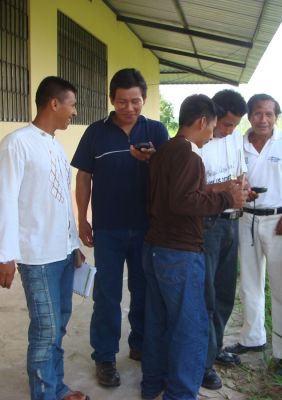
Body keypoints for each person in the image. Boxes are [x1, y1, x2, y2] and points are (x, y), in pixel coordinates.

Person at [141, 94, 248, 400]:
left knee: (159, 322)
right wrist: (228, 199)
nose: (213, 133)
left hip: (156, 248)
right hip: (179, 252)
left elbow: (177, 194)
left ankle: (152, 386)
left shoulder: (165, 151)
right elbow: (184, 201)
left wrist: (219, 191)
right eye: (213, 127)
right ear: (202, 121)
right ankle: (181, 394)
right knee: (191, 328)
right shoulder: (189, 154)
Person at [71, 68, 169, 387]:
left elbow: (170, 175)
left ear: (144, 100)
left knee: (143, 291)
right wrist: (82, 219)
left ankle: (140, 344)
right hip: (108, 228)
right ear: (111, 100)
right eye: (122, 101)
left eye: (136, 101)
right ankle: (105, 357)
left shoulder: (156, 131)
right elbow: (83, 176)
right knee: (107, 294)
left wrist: (151, 161)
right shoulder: (95, 133)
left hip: (146, 228)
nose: (129, 108)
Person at [0, 76, 89, 400]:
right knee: (46, 328)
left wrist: (73, 244)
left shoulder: (53, 144)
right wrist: (5, 254)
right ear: (54, 103)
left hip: (62, 252)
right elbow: (4, 200)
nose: (74, 112)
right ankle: (44, 393)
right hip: (36, 256)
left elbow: (62, 199)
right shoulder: (16, 143)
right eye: (72, 104)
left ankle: (56, 386)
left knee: (59, 324)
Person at [225, 94, 282, 377]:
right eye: (258, 113)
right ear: (250, 116)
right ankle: (253, 338)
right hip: (247, 217)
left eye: (269, 114)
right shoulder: (238, 141)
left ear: (276, 117)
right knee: (249, 283)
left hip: (279, 221)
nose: (263, 119)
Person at [199, 89, 248, 390]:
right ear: (212, 117)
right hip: (208, 225)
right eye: (226, 124)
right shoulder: (199, 144)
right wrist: (225, 188)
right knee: (206, 295)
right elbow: (194, 190)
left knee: (224, 295)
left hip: (233, 222)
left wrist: (244, 187)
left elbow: (241, 173)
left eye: (234, 125)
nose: (229, 130)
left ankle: (215, 349)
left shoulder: (234, 138)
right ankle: (202, 364)